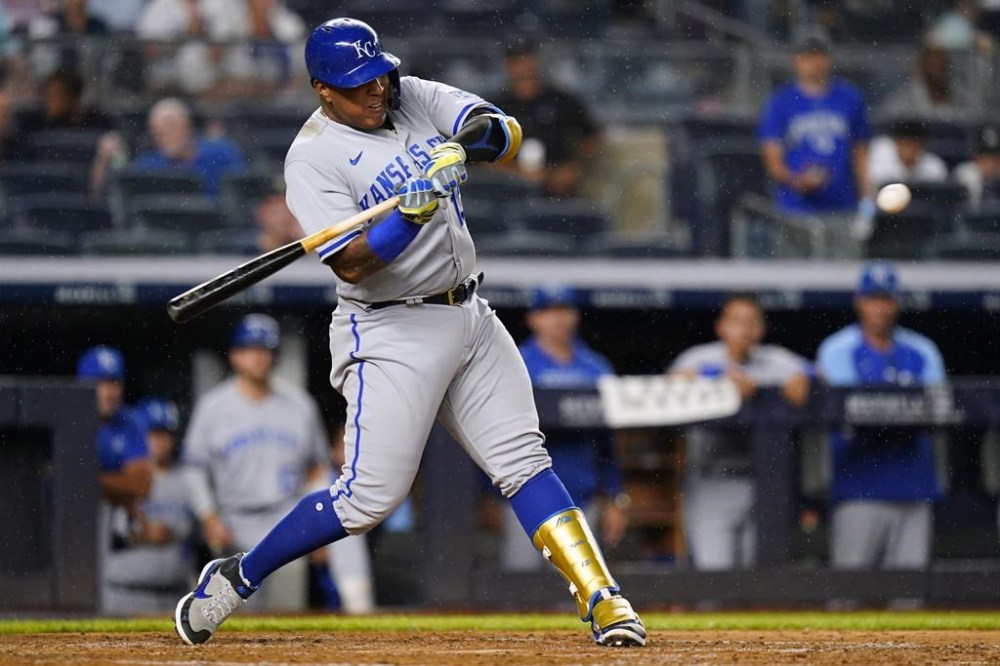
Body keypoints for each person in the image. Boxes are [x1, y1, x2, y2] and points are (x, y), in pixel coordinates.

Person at [174, 17, 645, 649]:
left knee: (525, 462)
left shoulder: (412, 94)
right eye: (358, 83)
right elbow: (353, 263)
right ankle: (236, 576)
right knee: (368, 501)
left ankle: (604, 600)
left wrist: (461, 147)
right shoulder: (311, 157)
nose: (376, 90)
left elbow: (506, 132)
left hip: (470, 315)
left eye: (378, 74)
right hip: (390, 329)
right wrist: (410, 213)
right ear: (323, 89)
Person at [181, 314, 329, 611]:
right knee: (232, 623)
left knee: (288, 618)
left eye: (266, 350)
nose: (260, 357)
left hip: (285, 520)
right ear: (235, 356)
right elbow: (194, 468)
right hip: (233, 521)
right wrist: (209, 517)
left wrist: (317, 524)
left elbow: (318, 467)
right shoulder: (213, 406)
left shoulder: (300, 405)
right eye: (252, 349)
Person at [816, 263, 946, 570]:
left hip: (913, 486)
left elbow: (939, 409)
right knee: (849, 592)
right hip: (859, 488)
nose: (880, 308)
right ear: (859, 302)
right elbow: (851, 411)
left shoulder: (923, 350)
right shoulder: (837, 349)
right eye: (873, 299)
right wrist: (903, 407)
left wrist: (888, 410)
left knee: (910, 595)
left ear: (897, 302)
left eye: (886, 299)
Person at [667, 293, 811, 570]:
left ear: (761, 329)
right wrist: (718, 378)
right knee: (714, 574)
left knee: (757, 577)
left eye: (751, 322)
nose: (744, 329)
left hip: (761, 483)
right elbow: (669, 383)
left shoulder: (774, 359)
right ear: (721, 326)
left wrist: (797, 379)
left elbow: (811, 375)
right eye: (736, 321)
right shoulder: (700, 357)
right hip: (710, 482)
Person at [497, 285, 628, 571]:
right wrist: (487, 494)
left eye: (563, 310)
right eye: (547, 311)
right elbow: (491, 433)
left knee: (580, 587)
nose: (557, 319)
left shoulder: (596, 367)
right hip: (522, 493)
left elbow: (607, 442)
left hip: (582, 494)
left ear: (575, 316)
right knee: (520, 588)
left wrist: (616, 497)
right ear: (533, 318)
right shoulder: (515, 362)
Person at [758, 27, 873, 258]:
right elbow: (772, 159)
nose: (814, 62)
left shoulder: (849, 97)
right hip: (796, 209)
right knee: (795, 282)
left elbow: (860, 153)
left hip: (841, 206)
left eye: (819, 54)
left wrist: (867, 202)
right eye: (807, 55)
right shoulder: (781, 102)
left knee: (844, 280)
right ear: (796, 60)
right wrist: (796, 180)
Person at [102, 398, 197, 614]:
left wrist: (169, 533)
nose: (158, 441)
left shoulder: (187, 479)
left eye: (165, 434)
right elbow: (112, 532)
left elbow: (197, 532)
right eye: (152, 433)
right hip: (124, 593)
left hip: (175, 593)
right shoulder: (118, 477)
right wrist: (142, 533)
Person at [490, 39, 601, 198]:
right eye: (516, 61)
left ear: (536, 61)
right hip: (507, 192)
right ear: (507, 66)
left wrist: (574, 168)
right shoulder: (495, 107)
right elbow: (480, 155)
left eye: (525, 59)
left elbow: (592, 139)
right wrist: (514, 172)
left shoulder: (561, 100)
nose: (522, 66)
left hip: (560, 188)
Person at [137, 0, 306, 99]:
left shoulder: (219, 5)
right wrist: (187, 33)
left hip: (240, 87)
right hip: (169, 84)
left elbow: (218, 55)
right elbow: (148, 50)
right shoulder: (161, 6)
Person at [77, 345, 152, 509]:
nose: (109, 392)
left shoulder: (130, 421)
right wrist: (117, 483)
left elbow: (142, 485)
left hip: (111, 520)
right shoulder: (67, 419)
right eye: (101, 383)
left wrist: (86, 479)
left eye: (114, 383)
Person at [131, 97, 246, 198]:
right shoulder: (147, 166)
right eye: (158, 133)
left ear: (187, 125)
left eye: (171, 126)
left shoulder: (221, 154)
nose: (166, 136)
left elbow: (240, 197)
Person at [879, 42, 979, 120]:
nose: (939, 68)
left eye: (943, 62)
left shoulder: (962, 99)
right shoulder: (903, 101)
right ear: (923, 66)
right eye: (933, 62)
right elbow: (890, 121)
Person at [867, 119, 948, 191]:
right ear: (896, 143)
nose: (910, 150)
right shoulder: (880, 157)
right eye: (906, 144)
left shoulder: (934, 167)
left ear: (922, 145)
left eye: (915, 144)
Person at [954, 122, 1000, 210]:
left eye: (994, 156)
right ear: (975, 156)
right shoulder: (964, 174)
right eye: (985, 156)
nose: (990, 162)